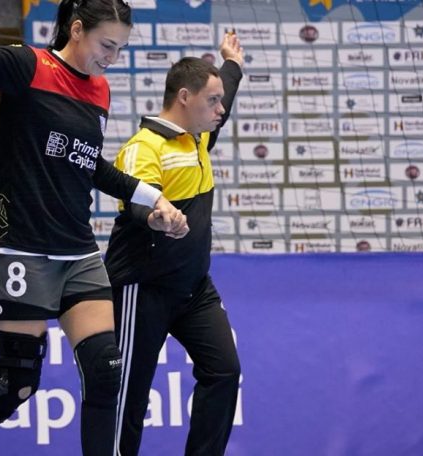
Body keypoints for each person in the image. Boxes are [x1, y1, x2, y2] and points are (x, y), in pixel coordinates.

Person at [0, 1, 188, 455]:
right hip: (22, 249)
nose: (112, 57)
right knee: (15, 385)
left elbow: (89, 165)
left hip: (79, 253)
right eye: (106, 45)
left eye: (120, 48)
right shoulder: (29, 66)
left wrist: (155, 199)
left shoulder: (100, 91)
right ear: (77, 29)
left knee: (105, 373)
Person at [105, 33, 245, 456]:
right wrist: (157, 216)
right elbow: (136, 201)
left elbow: (223, 91)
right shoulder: (144, 148)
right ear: (184, 97)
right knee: (128, 395)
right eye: (212, 102)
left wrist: (232, 64)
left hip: (193, 288)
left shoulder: (199, 136)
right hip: (142, 288)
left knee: (224, 371)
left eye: (221, 101)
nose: (221, 110)